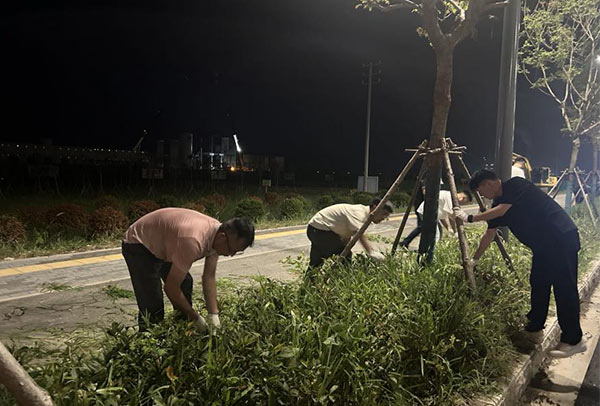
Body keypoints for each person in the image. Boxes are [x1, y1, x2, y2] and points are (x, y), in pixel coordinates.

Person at [454, 170, 585, 358]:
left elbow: (502, 210)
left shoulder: (515, 185)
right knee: (538, 284)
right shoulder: (497, 205)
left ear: (488, 183)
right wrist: (475, 259)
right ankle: (534, 329)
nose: (482, 196)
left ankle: (574, 340)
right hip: (543, 247)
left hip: (561, 238)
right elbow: (489, 235)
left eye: (481, 191)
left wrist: (469, 218)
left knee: (563, 287)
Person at [122, 208, 255, 332]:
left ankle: (182, 329)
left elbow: (209, 277)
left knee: (184, 283)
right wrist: (195, 318)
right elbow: (171, 288)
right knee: (152, 304)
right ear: (222, 237)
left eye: (236, 252)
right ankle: (148, 339)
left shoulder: (217, 237)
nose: (231, 255)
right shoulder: (193, 241)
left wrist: (213, 314)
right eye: (232, 250)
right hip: (139, 243)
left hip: (165, 242)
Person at [306, 198, 393, 268]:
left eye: (386, 216)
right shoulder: (359, 213)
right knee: (345, 257)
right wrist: (371, 252)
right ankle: (338, 280)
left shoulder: (363, 214)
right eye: (383, 214)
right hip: (320, 229)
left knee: (316, 262)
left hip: (316, 229)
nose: (384, 218)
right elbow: (359, 234)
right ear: (375, 208)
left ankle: (310, 281)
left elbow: (347, 233)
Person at [402, 189, 473, 248]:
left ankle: (411, 244)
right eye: (465, 202)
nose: (462, 204)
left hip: (428, 212)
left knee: (430, 230)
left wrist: (448, 228)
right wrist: (455, 231)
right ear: (463, 198)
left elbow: (441, 217)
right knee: (436, 234)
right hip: (427, 212)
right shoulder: (450, 198)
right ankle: (431, 252)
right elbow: (451, 217)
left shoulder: (449, 196)